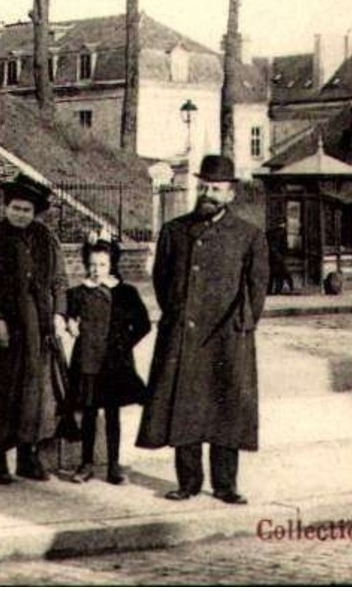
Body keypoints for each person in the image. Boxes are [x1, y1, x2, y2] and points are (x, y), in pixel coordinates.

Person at [136, 154, 269, 505]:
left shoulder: (248, 236)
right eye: (204, 186)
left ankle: (225, 485)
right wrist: (180, 317)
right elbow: (162, 282)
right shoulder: (174, 231)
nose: (208, 193)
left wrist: (242, 326)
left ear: (230, 194)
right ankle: (188, 482)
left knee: (226, 410)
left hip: (227, 337)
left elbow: (257, 289)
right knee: (185, 408)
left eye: (216, 188)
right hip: (184, 335)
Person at [0, 173, 68, 484]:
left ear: (35, 213)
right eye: (15, 208)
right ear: (6, 208)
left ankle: (27, 455)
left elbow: (60, 282)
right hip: (4, 329)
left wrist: (60, 314)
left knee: (35, 394)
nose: (20, 214)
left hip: (40, 328)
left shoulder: (48, 242)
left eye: (26, 210)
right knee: (1, 393)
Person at [65, 236, 151, 485]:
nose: (96, 270)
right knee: (89, 413)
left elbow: (143, 325)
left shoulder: (125, 292)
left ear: (111, 264)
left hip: (114, 365)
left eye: (102, 264)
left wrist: (123, 345)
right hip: (87, 362)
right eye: (92, 264)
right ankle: (86, 464)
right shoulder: (79, 292)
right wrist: (70, 322)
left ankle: (113, 465)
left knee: (112, 415)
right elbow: (68, 314)